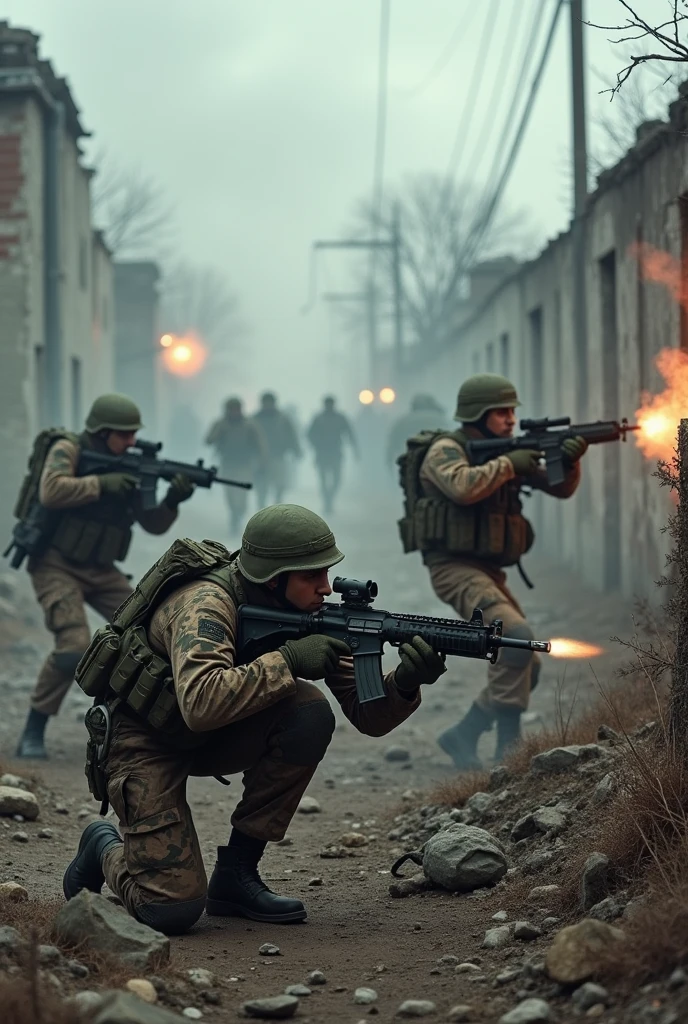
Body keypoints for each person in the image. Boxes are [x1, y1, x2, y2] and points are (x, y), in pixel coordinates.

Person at [62, 504, 447, 936]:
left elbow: (369, 715)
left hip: (212, 732)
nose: (326, 587)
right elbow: (201, 702)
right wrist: (288, 660)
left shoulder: (307, 612)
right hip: (143, 740)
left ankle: (237, 874)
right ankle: (102, 847)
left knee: (308, 712)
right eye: (311, 575)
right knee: (169, 911)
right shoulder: (205, 605)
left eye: (327, 573)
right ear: (273, 577)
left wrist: (407, 682)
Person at [399, 373, 588, 770]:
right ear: (477, 414)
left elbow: (560, 487)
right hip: (453, 568)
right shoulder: (445, 450)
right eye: (501, 411)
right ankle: (508, 751)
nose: (510, 418)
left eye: (513, 410)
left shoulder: (506, 450)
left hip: (488, 570)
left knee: (526, 663)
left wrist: (568, 461)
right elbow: (463, 487)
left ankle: (464, 734)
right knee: (515, 638)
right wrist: (508, 463)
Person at [14, 393, 195, 760]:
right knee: (73, 647)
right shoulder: (70, 449)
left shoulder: (129, 464)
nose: (131, 441)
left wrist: (172, 501)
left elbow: (152, 524)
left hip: (102, 570)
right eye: (124, 434)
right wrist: (103, 484)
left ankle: (139, 727)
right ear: (102, 432)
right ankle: (33, 730)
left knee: (149, 629)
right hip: (56, 564)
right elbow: (51, 491)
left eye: (133, 435)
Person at [205, 397, 267, 537]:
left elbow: (260, 443)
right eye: (231, 409)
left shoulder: (249, 424)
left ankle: (238, 514)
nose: (234, 412)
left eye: (236, 409)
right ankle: (234, 515)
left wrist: (262, 461)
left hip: (244, 464)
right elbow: (208, 440)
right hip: (227, 464)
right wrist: (219, 433)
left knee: (241, 494)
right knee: (229, 495)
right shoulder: (221, 424)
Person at [306, 396, 358, 515]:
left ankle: (330, 498)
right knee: (323, 480)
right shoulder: (318, 419)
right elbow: (309, 434)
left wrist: (355, 450)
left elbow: (349, 433)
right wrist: (316, 444)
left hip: (335, 453)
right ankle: (327, 502)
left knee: (337, 480)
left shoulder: (340, 418)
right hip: (322, 453)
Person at [252, 392, 302, 508]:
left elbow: (292, 436)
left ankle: (277, 505)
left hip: (278, 456)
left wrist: (296, 450)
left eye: (270, 402)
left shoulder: (283, 418)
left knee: (280, 485)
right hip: (261, 458)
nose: (268, 405)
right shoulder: (255, 419)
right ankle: (261, 508)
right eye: (266, 402)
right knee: (262, 486)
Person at [386, 394, 447, 468]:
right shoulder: (440, 419)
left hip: (410, 462)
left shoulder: (403, 422)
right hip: (437, 462)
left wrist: (390, 466)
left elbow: (392, 447)